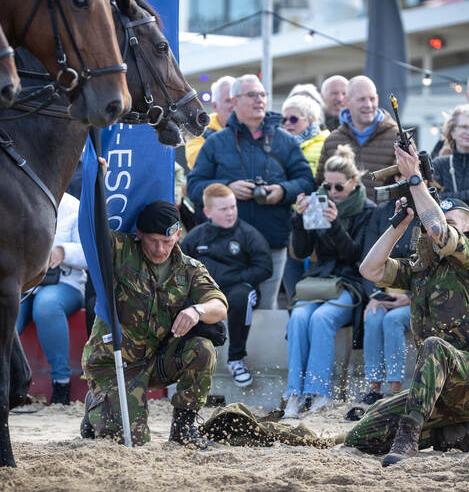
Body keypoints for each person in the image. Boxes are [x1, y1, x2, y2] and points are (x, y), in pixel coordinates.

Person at [345, 143, 469, 467]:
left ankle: (409, 437)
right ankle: (454, 433)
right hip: (436, 390)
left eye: (450, 217)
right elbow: (370, 270)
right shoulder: (421, 269)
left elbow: (439, 232)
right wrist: (398, 225)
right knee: (361, 435)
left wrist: (415, 178)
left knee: (435, 346)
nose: (438, 223)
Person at [81, 200, 228, 448]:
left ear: (178, 235)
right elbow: (90, 225)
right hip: (114, 363)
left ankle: (184, 428)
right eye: (153, 241)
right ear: (139, 235)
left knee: (202, 349)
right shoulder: (120, 250)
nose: (160, 249)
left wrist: (196, 310)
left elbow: (219, 306)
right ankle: (96, 404)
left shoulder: (190, 269)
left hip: (157, 361)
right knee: (130, 440)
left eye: (167, 242)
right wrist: (98, 178)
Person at [187, 74, 314, 312]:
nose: (260, 100)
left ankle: (260, 352)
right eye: (252, 95)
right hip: (224, 247)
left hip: (273, 243)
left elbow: (307, 182)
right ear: (234, 101)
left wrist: (282, 191)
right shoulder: (216, 142)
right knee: (224, 309)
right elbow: (195, 186)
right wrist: (228, 188)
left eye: (263, 94)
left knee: (266, 310)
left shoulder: (285, 141)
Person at [284, 145, 375, 417]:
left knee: (321, 318)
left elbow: (357, 255)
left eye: (338, 187)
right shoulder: (317, 202)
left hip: (349, 281)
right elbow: (300, 252)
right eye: (328, 186)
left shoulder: (367, 211)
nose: (332, 193)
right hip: (318, 280)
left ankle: (319, 394)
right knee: (299, 318)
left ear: (354, 183)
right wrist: (299, 221)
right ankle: (294, 394)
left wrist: (334, 225)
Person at [181, 184, 272, 388]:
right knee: (184, 301)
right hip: (205, 292)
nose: (230, 213)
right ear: (207, 212)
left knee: (241, 298)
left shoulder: (249, 234)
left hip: (239, 289)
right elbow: (180, 265)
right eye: (224, 209)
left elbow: (265, 268)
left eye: (233, 207)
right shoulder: (196, 236)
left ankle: (236, 359)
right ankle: (191, 361)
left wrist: (231, 277)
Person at [16, 193, 88, 405]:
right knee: (6, 312)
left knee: (46, 306)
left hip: (65, 284)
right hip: (24, 283)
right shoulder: (21, 196)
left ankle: (61, 382)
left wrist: (63, 251)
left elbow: (88, 254)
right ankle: (11, 381)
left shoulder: (74, 206)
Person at [360, 179, 417, 403]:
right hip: (386, 289)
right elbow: (367, 258)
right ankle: (373, 389)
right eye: (398, 175)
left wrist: (410, 298)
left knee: (392, 320)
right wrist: (375, 296)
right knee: (373, 316)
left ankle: (395, 390)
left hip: (416, 295)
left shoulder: (428, 210)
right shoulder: (381, 212)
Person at [281, 94, 331, 302]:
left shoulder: (325, 143)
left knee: (315, 269)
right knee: (290, 266)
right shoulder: (280, 145)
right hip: (288, 217)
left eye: (293, 119)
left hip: (316, 219)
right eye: (284, 120)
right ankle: (295, 308)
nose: (287, 124)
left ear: (310, 120)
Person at [315, 75, 398, 192]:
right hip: (341, 211)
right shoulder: (333, 140)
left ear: (378, 99)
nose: (368, 105)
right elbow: (321, 186)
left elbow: (417, 182)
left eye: (372, 99)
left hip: (388, 210)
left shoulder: (397, 138)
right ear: (346, 102)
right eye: (361, 99)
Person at [185, 75, 234, 170]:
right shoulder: (199, 130)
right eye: (228, 101)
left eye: (236, 100)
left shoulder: (253, 126)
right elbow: (200, 164)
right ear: (215, 106)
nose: (234, 105)